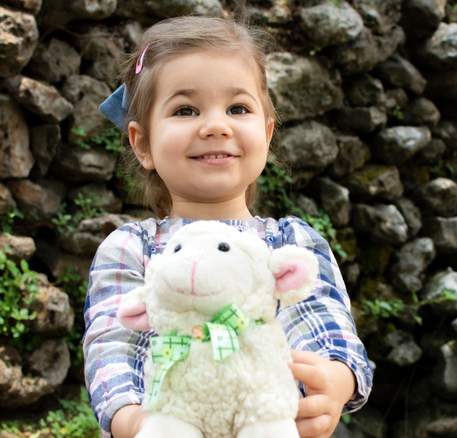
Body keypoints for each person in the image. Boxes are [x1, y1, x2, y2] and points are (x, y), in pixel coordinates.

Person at [83, 15, 373, 438]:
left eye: (238, 108)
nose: (216, 125)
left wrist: (335, 381)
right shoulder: (131, 247)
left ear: (267, 133)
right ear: (142, 143)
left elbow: (325, 323)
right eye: (185, 109)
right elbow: (113, 346)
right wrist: (134, 421)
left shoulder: (291, 244)